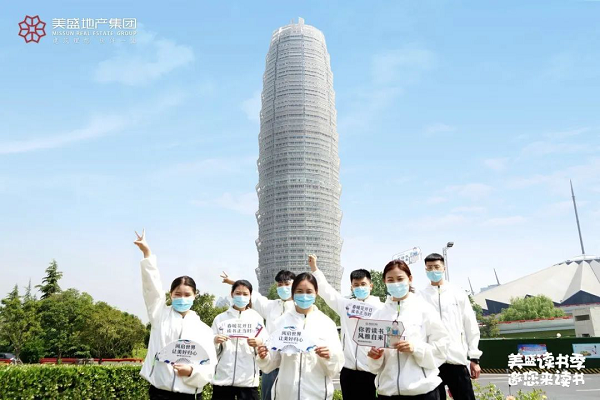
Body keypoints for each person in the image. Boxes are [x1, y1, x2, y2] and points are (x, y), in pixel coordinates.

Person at [134, 230, 217, 400]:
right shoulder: (159, 316)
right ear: (170, 294)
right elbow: (151, 289)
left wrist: (192, 371)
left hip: (190, 394)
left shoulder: (204, 330)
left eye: (187, 295)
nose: (182, 298)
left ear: (195, 296)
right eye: (178, 294)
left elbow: (210, 365)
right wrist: (147, 254)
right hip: (160, 393)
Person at [367, 260, 449, 400]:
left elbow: (442, 349)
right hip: (388, 392)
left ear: (410, 279)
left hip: (422, 391)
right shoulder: (378, 315)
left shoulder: (425, 309)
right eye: (390, 280)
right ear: (384, 281)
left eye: (400, 279)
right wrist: (374, 357)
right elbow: (372, 364)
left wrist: (415, 348)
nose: (396, 283)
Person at [256, 272, 345, 400]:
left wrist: (330, 356)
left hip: (317, 392)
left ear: (316, 293)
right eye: (299, 291)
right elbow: (272, 362)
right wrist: (264, 356)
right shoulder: (281, 322)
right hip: (286, 393)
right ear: (293, 293)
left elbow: (337, 363)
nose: (304, 295)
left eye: (309, 291)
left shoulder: (326, 324)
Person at [308, 254, 382, 400]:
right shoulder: (347, 306)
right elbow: (327, 291)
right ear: (351, 287)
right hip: (348, 370)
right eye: (356, 285)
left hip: (371, 370)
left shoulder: (380, 309)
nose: (360, 287)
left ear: (371, 286)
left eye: (363, 284)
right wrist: (315, 269)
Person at [220, 270, 296, 400]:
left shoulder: (299, 309)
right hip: (270, 361)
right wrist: (232, 281)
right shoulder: (271, 306)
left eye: (287, 284)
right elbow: (252, 295)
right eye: (280, 284)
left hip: (292, 362)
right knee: (267, 396)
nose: (283, 287)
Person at [419, 253, 482, 400]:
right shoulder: (421, 296)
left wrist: (474, 358)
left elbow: (470, 325)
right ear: (425, 270)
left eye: (436, 267)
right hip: (432, 362)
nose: (433, 270)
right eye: (429, 268)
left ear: (444, 268)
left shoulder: (458, 293)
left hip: (456, 359)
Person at [211, 280, 267, 400]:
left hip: (248, 380)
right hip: (223, 378)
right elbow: (209, 348)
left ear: (250, 296)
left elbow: (265, 343)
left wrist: (259, 342)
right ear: (232, 294)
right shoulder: (220, 319)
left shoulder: (256, 318)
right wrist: (215, 340)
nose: (241, 297)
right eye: (238, 293)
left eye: (245, 294)